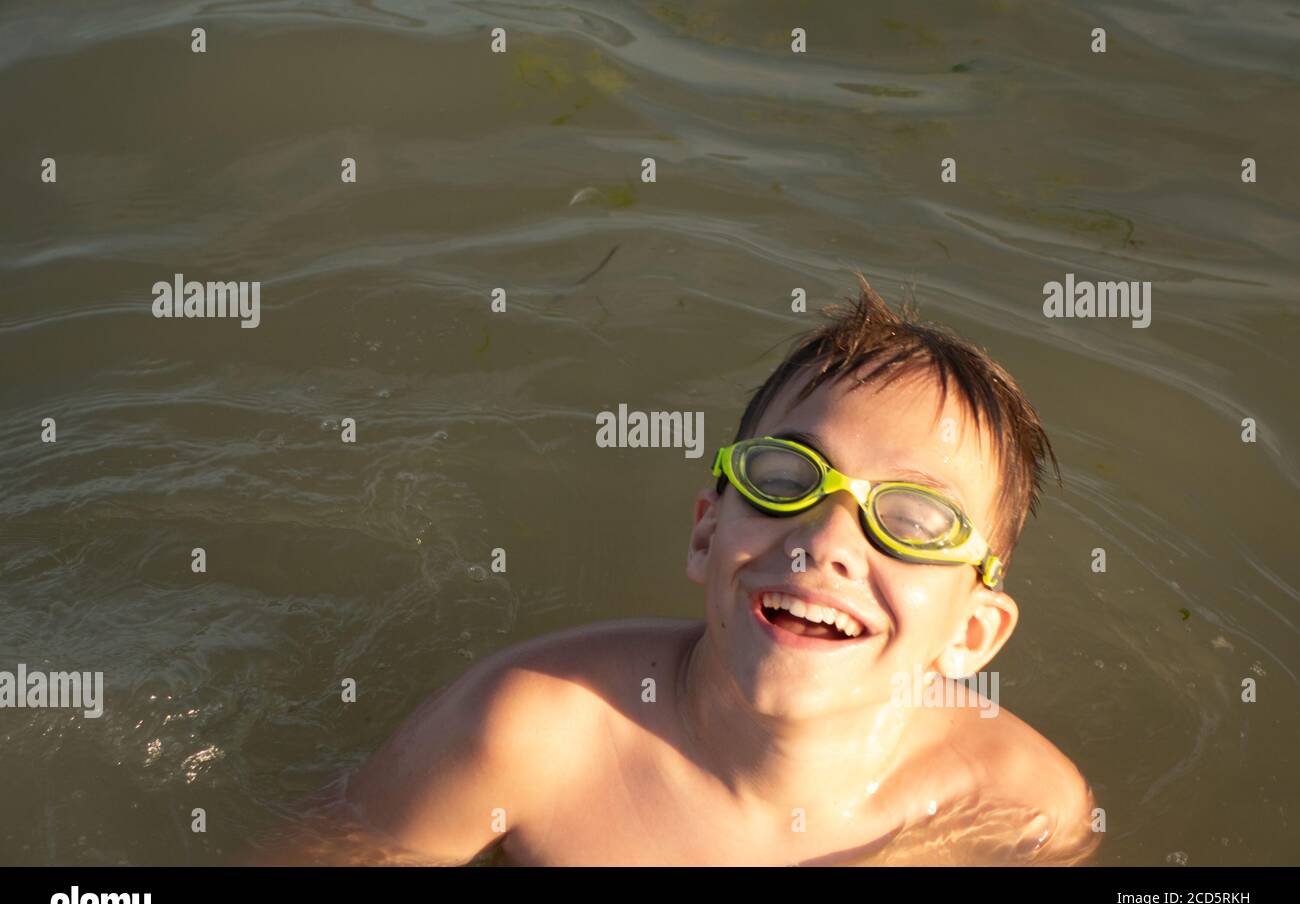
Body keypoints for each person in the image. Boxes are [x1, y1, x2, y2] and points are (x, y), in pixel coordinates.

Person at [292, 271, 1100, 866]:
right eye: (785, 479)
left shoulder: (1018, 812)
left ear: (970, 632)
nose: (827, 540)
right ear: (707, 535)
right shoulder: (528, 738)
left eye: (915, 521)